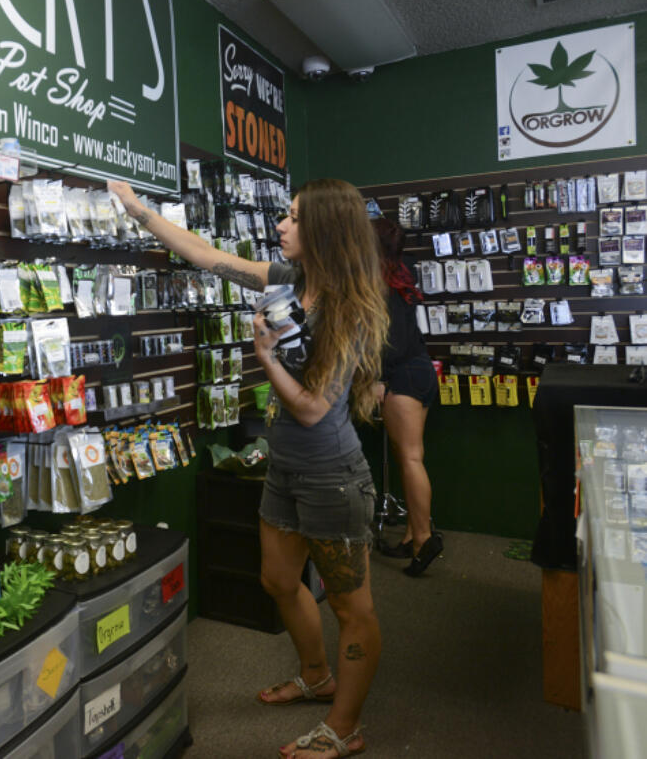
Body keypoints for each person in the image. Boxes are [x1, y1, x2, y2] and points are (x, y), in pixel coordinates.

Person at [108, 178, 387, 759]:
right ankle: (316, 675)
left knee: (351, 609)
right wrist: (138, 211)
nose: (281, 225)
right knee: (278, 582)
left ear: (324, 231)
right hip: (284, 467)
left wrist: (263, 356)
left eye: (292, 218)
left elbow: (312, 409)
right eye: (283, 215)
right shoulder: (292, 281)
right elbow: (209, 256)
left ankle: (345, 727)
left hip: (333, 474)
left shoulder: (347, 308)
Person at [371, 216, 443, 577]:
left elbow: (391, 340)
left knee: (411, 458)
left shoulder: (376, 282)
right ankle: (413, 533)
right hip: (421, 370)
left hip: (402, 374)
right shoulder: (405, 269)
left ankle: (424, 540)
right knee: (408, 456)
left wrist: (379, 378)